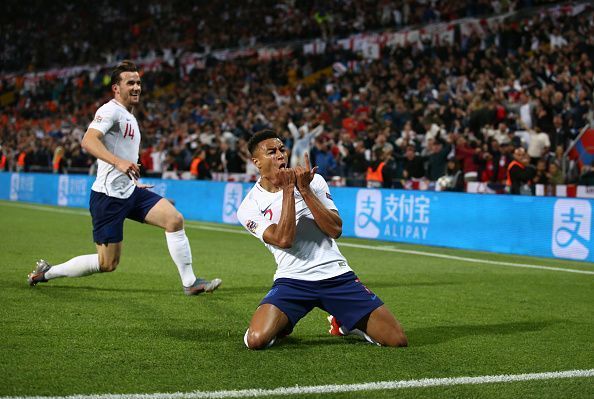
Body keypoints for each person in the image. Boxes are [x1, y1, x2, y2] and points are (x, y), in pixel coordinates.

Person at [27, 60, 222, 295]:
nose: (137, 87)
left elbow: (124, 153)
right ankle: (47, 272)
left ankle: (190, 283)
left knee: (174, 220)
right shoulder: (110, 111)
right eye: (130, 83)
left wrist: (131, 177)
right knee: (107, 264)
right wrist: (119, 163)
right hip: (108, 197)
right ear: (116, 88)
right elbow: (88, 141)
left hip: (131, 191)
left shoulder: (130, 116)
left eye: (139, 82)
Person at [237, 130, 407, 349]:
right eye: (272, 152)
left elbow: (335, 229)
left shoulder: (313, 181)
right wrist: (289, 189)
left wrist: (305, 190)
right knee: (256, 340)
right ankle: (284, 323)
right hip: (292, 280)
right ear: (257, 162)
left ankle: (346, 322)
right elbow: (283, 239)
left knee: (396, 340)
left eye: (282, 149)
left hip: (336, 276)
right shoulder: (249, 206)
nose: (280, 155)